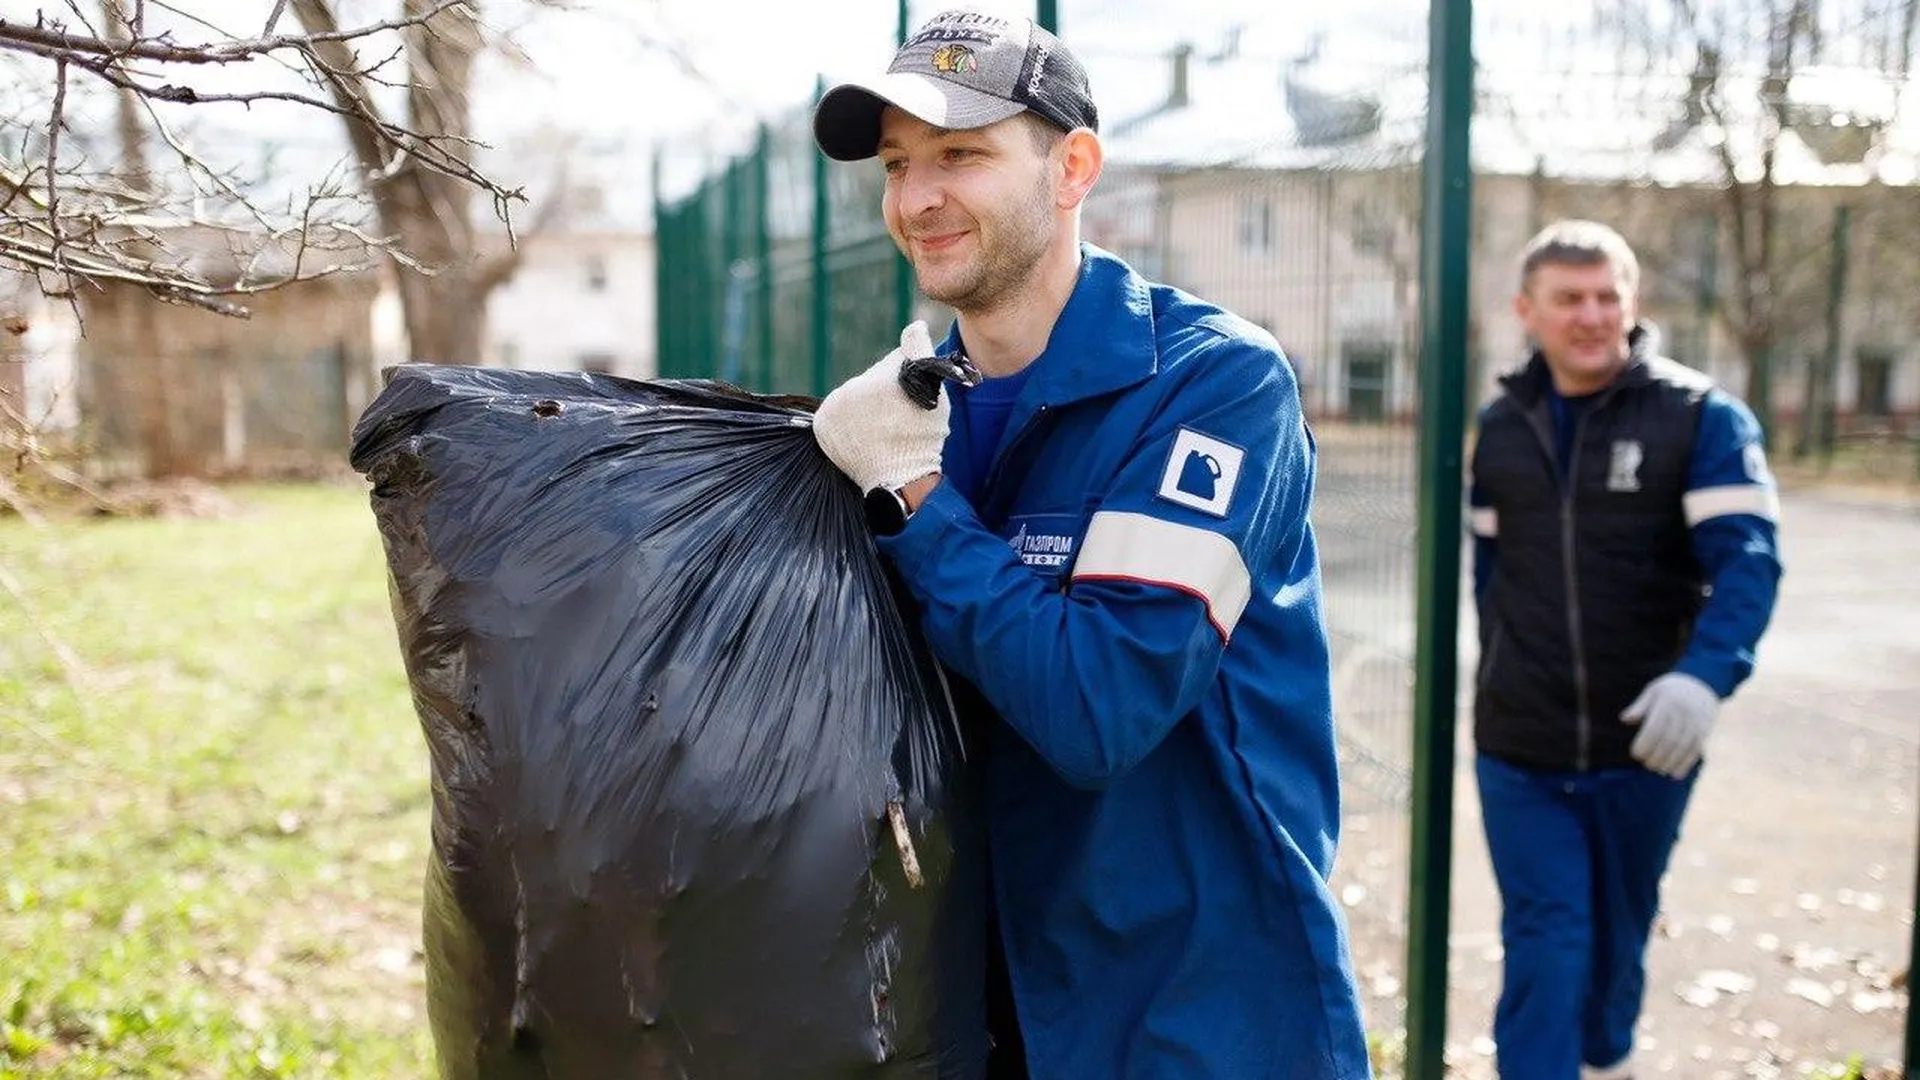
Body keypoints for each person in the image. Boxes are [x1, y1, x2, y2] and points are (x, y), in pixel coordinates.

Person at [806, 10, 1372, 1079]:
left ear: (1072, 168)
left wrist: (918, 499)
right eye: (897, 165)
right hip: (988, 1003)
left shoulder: (1212, 388)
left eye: (961, 156)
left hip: (1198, 1014)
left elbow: (1097, 707)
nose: (917, 199)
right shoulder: (920, 412)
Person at [1467, 219, 1784, 1080]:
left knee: (1615, 937)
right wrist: (1504, 678)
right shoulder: (1500, 431)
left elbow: (1748, 565)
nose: (1592, 316)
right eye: (1570, 299)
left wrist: (1703, 680)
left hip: (1646, 745)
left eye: (1609, 296)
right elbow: (1490, 578)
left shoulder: (1702, 420)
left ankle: (1607, 1057)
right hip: (1520, 750)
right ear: (1526, 310)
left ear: (1632, 303)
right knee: (1546, 939)